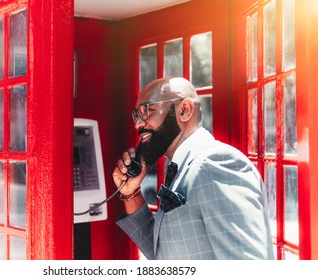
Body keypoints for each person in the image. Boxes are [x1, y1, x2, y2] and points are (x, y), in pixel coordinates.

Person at [113, 77, 275, 260]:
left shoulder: (216, 164)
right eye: (137, 115)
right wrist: (131, 193)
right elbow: (163, 253)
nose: (138, 124)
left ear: (184, 110)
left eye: (148, 110)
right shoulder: (179, 167)